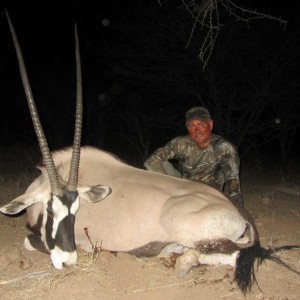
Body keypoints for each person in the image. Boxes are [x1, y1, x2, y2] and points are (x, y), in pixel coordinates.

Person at [144, 106, 244, 206]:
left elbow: (233, 186)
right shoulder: (181, 143)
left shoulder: (224, 148)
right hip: (183, 189)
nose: (196, 130)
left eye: (201, 124)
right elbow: (151, 161)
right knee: (163, 164)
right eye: (191, 126)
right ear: (188, 129)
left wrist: (237, 209)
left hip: (209, 195)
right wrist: (171, 186)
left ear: (210, 124)